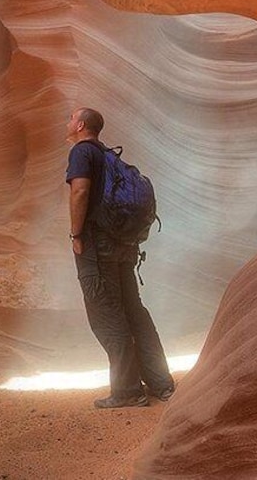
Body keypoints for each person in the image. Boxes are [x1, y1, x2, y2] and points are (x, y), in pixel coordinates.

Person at [65, 107, 175, 408]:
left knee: (106, 315)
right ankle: (161, 383)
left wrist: (76, 234)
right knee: (134, 311)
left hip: (97, 246)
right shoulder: (110, 156)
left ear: (82, 125)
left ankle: (128, 391)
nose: (67, 123)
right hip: (124, 245)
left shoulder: (82, 152)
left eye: (71, 119)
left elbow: (80, 191)